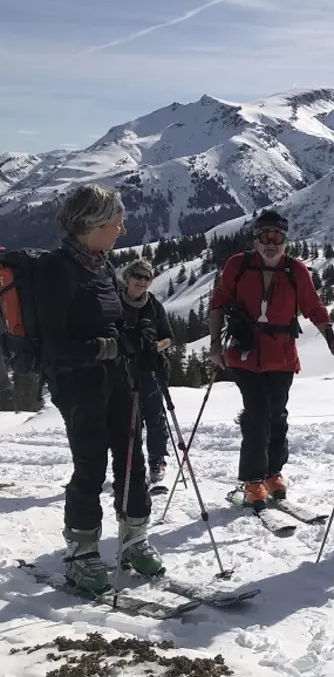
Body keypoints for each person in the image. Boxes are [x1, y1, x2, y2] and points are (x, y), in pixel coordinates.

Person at [37, 184, 164, 592]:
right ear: (90, 224)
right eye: (116, 221)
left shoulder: (103, 264)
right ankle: (82, 552)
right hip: (79, 385)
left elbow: (113, 320)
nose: (122, 229)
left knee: (133, 460)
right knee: (90, 464)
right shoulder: (56, 271)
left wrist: (139, 338)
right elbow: (54, 345)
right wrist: (110, 347)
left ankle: (134, 540)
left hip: (118, 379)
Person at [208, 210, 334, 509]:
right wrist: (214, 345)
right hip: (245, 355)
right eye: (265, 236)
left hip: (281, 357)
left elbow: (314, 308)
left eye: (278, 237)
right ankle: (252, 480)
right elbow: (219, 303)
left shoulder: (295, 271)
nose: (271, 243)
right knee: (258, 413)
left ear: (286, 240)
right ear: (256, 239)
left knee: (277, 415)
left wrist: (333, 344)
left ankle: (273, 472)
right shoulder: (238, 265)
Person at [119, 260, 173, 484]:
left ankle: (156, 459)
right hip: (122, 371)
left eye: (146, 278)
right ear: (128, 278)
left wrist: (154, 349)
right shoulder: (115, 303)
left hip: (151, 369)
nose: (142, 282)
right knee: (126, 419)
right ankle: (130, 460)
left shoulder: (154, 305)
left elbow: (168, 338)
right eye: (138, 277)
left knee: (154, 416)